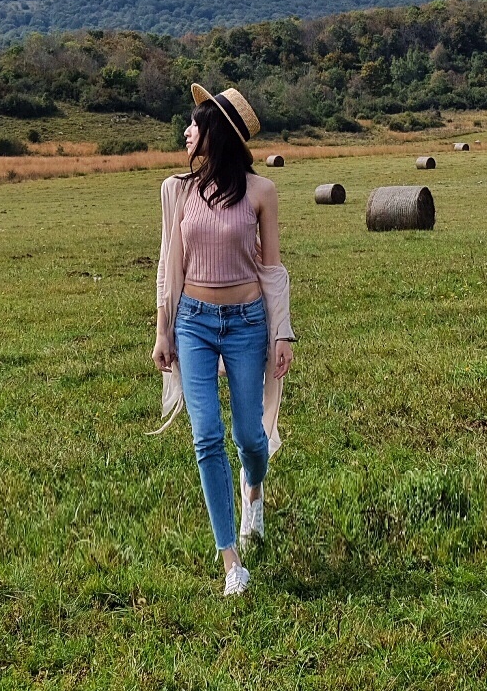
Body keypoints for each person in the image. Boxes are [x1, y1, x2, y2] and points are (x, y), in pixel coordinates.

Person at [152, 84, 295, 596]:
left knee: (251, 440)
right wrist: (163, 328)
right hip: (192, 320)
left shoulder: (261, 193)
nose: (187, 131)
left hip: (247, 323)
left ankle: (252, 491)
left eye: (196, 123)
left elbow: (273, 270)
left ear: (219, 133)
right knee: (206, 436)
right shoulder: (178, 191)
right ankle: (231, 561)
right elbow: (170, 267)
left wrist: (283, 331)